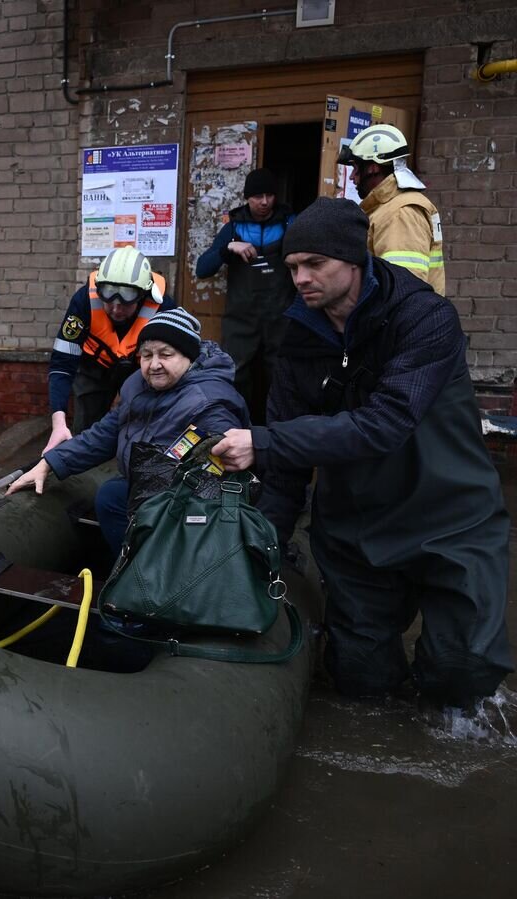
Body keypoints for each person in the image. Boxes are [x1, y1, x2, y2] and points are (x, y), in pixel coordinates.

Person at [213, 197, 510, 710]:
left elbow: (386, 423)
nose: (302, 278)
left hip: (449, 516)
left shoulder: (424, 318)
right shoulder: (298, 338)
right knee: (360, 680)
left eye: (315, 264)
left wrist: (262, 440)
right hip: (357, 526)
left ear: (354, 259)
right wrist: (263, 550)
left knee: (460, 674)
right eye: (293, 267)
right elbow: (285, 473)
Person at [12, 309, 248, 554]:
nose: (154, 364)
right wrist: (49, 463)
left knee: (114, 496)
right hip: (147, 492)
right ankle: (130, 566)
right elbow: (104, 434)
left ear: (189, 357)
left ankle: (153, 573)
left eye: (165, 354)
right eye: (146, 355)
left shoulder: (209, 404)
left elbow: (216, 484)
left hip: (186, 510)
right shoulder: (139, 387)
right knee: (112, 495)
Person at [44, 247, 175, 453]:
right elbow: (62, 364)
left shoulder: (164, 307)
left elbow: (178, 364)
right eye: (109, 299)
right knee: (85, 431)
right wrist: (58, 421)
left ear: (142, 294)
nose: (116, 308)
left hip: (140, 370)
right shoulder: (83, 301)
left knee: (142, 424)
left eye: (126, 300)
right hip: (94, 366)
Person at [195, 168, 295, 420]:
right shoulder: (234, 226)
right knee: (236, 375)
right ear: (247, 198)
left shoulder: (288, 222)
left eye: (270, 195)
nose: (264, 202)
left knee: (281, 375)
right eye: (258, 196)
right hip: (241, 318)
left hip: (280, 317)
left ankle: (278, 435)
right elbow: (203, 269)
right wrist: (228, 247)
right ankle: (235, 431)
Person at [337, 123, 444, 293]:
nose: (351, 177)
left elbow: (403, 289)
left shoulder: (400, 212)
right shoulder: (388, 208)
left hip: (400, 319)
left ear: (373, 167)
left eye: (356, 168)